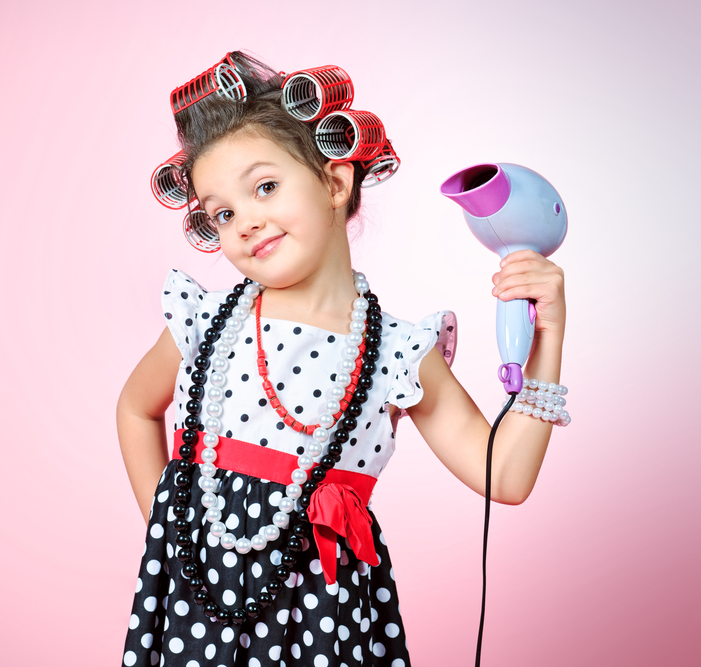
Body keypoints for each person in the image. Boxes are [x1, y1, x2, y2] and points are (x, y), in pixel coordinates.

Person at [117, 51, 566, 667]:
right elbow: (136, 409)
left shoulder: (398, 354)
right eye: (222, 212)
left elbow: (504, 476)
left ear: (334, 182)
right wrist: (166, 533)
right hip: (198, 602)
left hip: (326, 619)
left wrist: (550, 334)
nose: (245, 221)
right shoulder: (209, 322)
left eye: (265, 187)